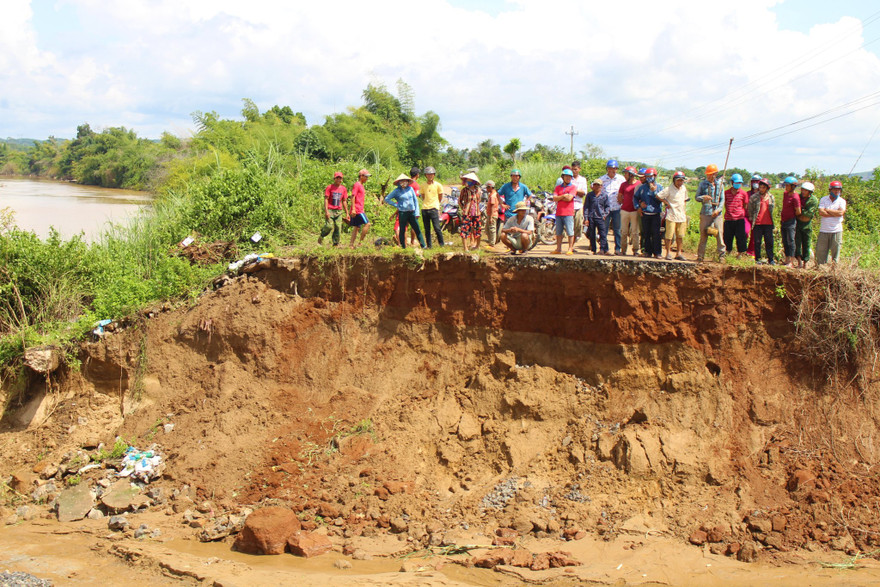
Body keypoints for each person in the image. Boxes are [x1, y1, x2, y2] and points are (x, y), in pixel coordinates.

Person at [384, 173, 426, 249]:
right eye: (402, 181)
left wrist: (417, 212)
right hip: (402, 212)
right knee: (402, 229)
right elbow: (387, 199)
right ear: (399, 182)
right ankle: (403, 246)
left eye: (405, 181)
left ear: (408, 181)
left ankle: (423, 245)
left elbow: (415, 200)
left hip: (412, 212)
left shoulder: (410, 189)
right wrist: (396, 205)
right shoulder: (396, 191)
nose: (404, 182)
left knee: (417, 228)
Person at [696, 163, 725, 262]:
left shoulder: (720, 185)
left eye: (711, 174)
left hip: (717, 214)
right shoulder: (702, 184)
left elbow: (722, 200)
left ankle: (722, 256)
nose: (709, 176)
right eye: (708, 174)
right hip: (705, 213)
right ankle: (700, 256)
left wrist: (718, 210)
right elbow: (697, 197)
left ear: (715, 174)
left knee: (720, 234)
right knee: (703, 235)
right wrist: (703, 198)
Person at [657, 171, 688, 261]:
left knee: (680, 235)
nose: (680, 182)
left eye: (682, 181)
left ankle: (679, 253)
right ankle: (668, 253)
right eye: (678, 180)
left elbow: (685, 199)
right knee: (669, 235)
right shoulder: (669, 189)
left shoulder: (684, 188)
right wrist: (666, 203)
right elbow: (659, 196)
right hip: (671, 215)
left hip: (681, 215)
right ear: (674, 180)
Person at [633, 168, 663, 259]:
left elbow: (661, 199)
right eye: (648, 176)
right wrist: (638, 206)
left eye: (651, 176)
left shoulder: (660, 187)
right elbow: (635, 198)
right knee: (646, 233)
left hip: (656, 213)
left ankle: (657, 252)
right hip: (645, 214)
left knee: (656, 234)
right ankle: (647, 251)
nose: (649, 178)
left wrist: (654, 191)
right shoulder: (642, 187)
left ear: (655, 176)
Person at [815, 180, 847, 266]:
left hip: (836, 230)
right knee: (820, 252)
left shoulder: (842, 201)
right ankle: (821, 269)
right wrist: (835, 213)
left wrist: (828, 210)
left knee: (835, 253)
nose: (837, 191)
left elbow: (841, 213)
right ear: (830, 190)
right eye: (835, 189)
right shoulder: (823, 199)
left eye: (839, 190)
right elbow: (821, 212)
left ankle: (834, 271)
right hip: (824, 230)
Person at [556, 160, 588, 241]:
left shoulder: (583, 179)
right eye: (572, 169)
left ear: (579, 169)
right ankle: (570, 244)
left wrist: (573, 190)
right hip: (568, 205)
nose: (574, 171)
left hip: (578, 204)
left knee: (578, 225)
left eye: (576, 169)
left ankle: (574, 242)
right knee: (569, 226)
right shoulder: (569, 178)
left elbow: (583, 193)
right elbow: (564, 191)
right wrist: (574, 191)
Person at [600, 159, 626, 254]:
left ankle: (617, 249)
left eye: (614, 168)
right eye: (610, 168)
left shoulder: (621, 179)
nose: (612, 170)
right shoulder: (602, 179)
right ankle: (604, 248)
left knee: (617, 230)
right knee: (604, 229)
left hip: (617, 208)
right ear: (607, 169)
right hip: (605, 209)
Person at [749, 177, 775, 264]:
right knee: (757, 242)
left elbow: (772, 210)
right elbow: (750, 210)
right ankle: (758, 259)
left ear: (767, 188)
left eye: (763, 187)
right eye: (760, 187)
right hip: (758, 223)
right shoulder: (754, 197)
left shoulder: (771, 197)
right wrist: (753, 219)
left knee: (769, 242)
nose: (761, 189)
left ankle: (771, 259)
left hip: (768, 223)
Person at [319, 171, 349, 246]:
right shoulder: (329, 187)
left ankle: (335, 243)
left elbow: (344, 201)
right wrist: (326, 211)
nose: (339, 180)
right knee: (329, 226)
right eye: (337, 178)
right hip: (330, 209)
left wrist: (347, 213)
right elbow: (326, 199)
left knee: (338, 227)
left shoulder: (343, 189)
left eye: (340, 178)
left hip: (339, 211)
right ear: (334, 179)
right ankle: (322, 235)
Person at [723, 173, 750, 256]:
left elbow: (745, 205)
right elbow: (724, 204)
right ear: (732, 182)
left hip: (739, 219)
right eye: (736, 183)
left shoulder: (743, 193)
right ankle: (728, 253)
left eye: (739, 183)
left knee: (741, 237)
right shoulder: (726, 193)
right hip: (728, 219)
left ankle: (740, 254)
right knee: (727, 237)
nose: (738, 185)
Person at [552, 168, 577, 254]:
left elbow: (569, 198)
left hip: (568, 213)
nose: (568, 178)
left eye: (570, 177)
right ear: (563, 177)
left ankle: (570, 248)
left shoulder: (573, 187)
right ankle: (558, 249)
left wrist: (560, 197)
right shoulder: (558, 187)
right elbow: (554, 198)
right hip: (559, 212)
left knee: (570, 231)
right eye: (566, 176)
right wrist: (563, 196)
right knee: (559, 232)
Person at [794, 181, 818, 268]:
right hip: (798, 223)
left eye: (806, 190)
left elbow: (809, 213)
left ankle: (806, 262)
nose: (803, 192)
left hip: (807, 224)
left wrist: (800, 210)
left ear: (810, 192)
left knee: (806, 243)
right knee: (797, 242)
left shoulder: (813, 200)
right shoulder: (798, 197)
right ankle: (799, 261)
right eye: (802, 190)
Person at [419, 166, 445, 248]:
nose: (430, 176)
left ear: (434, 175)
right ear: (425, 175)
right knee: (427, 229)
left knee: (437, 228)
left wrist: (437, 204)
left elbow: (440, 196)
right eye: (428, 174)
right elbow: (423, 196)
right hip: (425, 208)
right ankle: (429, 245)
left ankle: (441, 244)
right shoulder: (423, 185)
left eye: (431, 174)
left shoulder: (438, 185)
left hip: (434, 208)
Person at [618, 166, 641, 256]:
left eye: (626, 173)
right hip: (625, 210)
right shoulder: (623, 184)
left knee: (635, 231)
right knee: (623, 231)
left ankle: (635, 250)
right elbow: (619, 196)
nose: (625, 175)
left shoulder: (638, 184)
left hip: (635, 211)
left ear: (631, 175)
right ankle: (623, 249)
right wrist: (624, 203)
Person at [584, 179, 610, 254]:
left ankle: (603, 249)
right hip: (591, 216)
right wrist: (586, 218)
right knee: (592, 234)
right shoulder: (589, 195)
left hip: (600, 217)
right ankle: (593, 250)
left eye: (598, 185)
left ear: (601, 186)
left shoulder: (604, 195)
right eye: (595, 185)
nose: (596, 186)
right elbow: (586, 207)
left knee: (602, 234)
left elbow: (607, 207)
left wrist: (605, 215)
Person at [459, 172, 483, 251]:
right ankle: (465, 248)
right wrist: (464, 208)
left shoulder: (478, 190)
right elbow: (460, 201)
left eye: (469, 180)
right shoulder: (464, 190)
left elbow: (478, 201)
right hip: (467, 213)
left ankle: (477, 246)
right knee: (465, 230)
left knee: (478, 230)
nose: (467, 182)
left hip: (476, 213)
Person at [779, 176, 800, 266]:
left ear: (793, 186)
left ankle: (791, 261)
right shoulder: (785, 194)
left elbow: (798, 211)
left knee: (791, 241)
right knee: (785, 241)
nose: (786, 187)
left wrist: (791, 216)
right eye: (785, 185)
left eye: (788, 185)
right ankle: (787, 259)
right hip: (783, 221)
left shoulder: (795, 197)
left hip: (791, 221)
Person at [349, 169, 371, 248]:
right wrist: (354, 209)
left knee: (356, 227)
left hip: (359, 208)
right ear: (361, 176)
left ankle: (351, 245)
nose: (367, 178)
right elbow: (353, 196)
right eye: (366, 177)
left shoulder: (361, 185)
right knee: (367, 224)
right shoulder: (357, 184)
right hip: (358, 210)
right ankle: (360, 243)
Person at [745, 174, 761, 257]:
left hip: (757, 218)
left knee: (755, 236)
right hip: (747, 217)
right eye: (753, 181)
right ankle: (743, 249)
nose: (755, 183)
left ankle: (751, 252)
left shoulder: (762, 195)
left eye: (757, 182)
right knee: (745, 231)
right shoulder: (747, 193)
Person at [484, 180, 500, 248]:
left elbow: (493, 206)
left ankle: (492, 243)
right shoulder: (493, 194)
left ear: (490, 187)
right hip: (490, 214)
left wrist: (491, 217)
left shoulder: (493, 196)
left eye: (487, 188)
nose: (486, 189)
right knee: (487, 229)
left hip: (492, 215)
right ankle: (490, 241)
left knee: (492, 229)